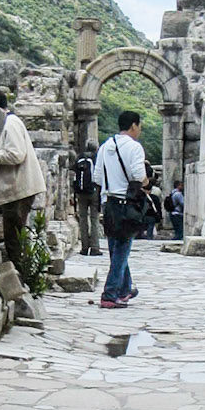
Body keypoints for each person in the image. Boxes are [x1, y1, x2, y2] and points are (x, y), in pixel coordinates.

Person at [93, 109, 148, 309]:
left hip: (109, 202)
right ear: (133, 125)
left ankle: (125, 289)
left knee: (115, 248)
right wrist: (146, 181)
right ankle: (110, 294)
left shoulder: (105, 146)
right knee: (122, 249)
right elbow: (139, 175)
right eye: (139, 126)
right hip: (127, 203)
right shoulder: (135, 147)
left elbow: (97, 177)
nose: (139, 130)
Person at [0, 89, 46, 272]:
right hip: (15, 188)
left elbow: (16, 154)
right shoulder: (11, 122)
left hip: (17, 189)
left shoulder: (9, 123)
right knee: (14, 234)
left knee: (14, 237)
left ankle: (21, 275)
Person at [71, 145, 102, 256]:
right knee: (94, 220)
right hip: (93, 191)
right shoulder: (96, 159)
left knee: (83, 219)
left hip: (81, 192)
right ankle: (95, 247)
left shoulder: (79, 158)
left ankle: (84, 248)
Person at [166, 178, 185, 242]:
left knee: (177, 230)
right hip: (177, 214)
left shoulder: (172, 193)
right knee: (180, 230)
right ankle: (177, 241)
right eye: (181, 185)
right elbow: (183, 203)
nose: (182, 187)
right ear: (178, 186)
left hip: (173, 213)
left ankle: (176, 240)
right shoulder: (178, 194)